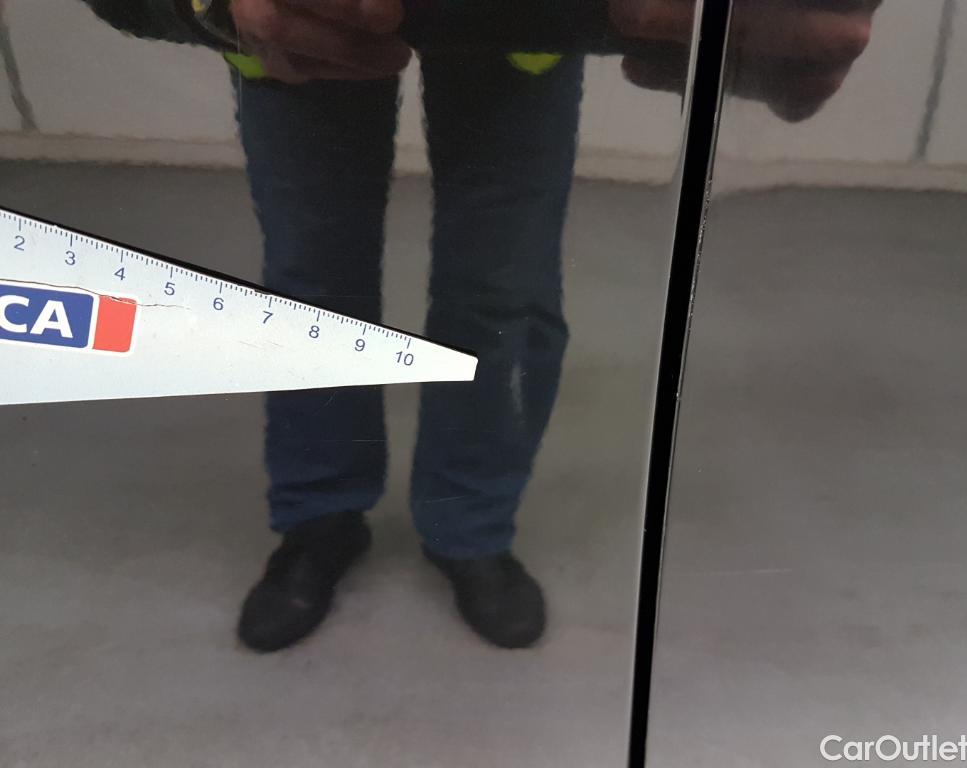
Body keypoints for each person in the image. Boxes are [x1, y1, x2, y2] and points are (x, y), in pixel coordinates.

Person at [82, 0, 878, 654]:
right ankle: (322, 518)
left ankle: (470, 527)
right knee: (310, 283)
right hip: (292, 14)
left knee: (501, 288)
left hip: (521, 20)